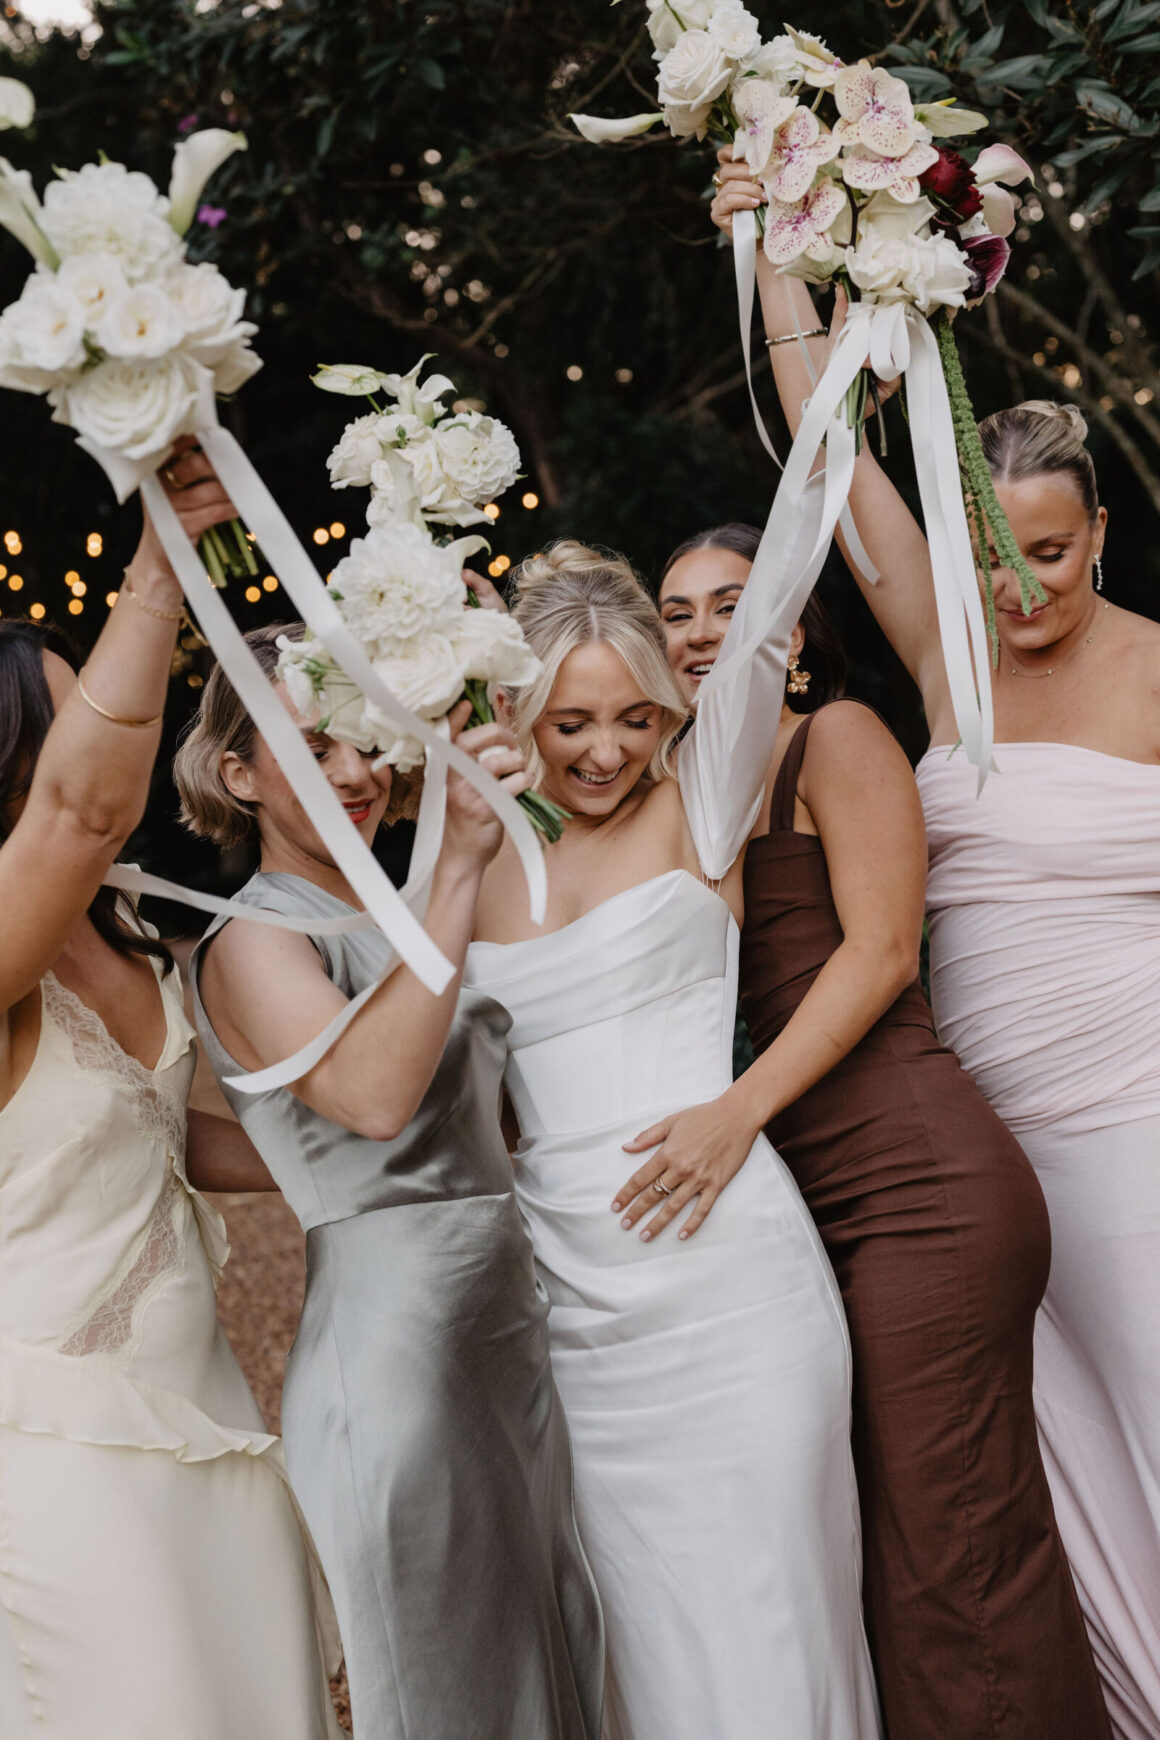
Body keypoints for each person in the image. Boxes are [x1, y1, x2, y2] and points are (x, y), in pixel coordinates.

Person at [712, 146, 1160, 1740]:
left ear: (1099, 530)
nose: (1019, 587)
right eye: (989, 553)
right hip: (981, 1147)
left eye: (1049, 550)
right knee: (1049, 1477)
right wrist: (771, 247)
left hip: (1140, 1130)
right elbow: (831, 456)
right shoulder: (943, 651)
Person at [645, 520, 1109, 1740]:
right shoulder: (681, 794)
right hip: (809, 1210)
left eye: (728, 604)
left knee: (953, 1547)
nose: (699, 631)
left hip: (922, 1192)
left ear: (790, 632)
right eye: (676, 611)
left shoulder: (833, 740)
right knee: (883, 1539)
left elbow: (883, 949)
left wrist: (735, 1113)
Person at [465, 542, 882, 1740]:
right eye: (572, 724)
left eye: (637, 718)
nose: (606, 752)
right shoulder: (477, 856)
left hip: (731, 1290)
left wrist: (829, 370)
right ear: (518, 714)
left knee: (769, 1616)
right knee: (645, 1638)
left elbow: (783, 571)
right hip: (578, 1323)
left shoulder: (703, 799)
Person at [182, 627, 605, 1740]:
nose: (356, 775)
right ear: (239, 773)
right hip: (395, 1362)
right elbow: (373, 1099)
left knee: (552, 1659)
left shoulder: (404, 911)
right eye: (312, 746)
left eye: (365, 741)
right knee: (449, 1688)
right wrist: (458, 866)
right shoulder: (251, 940)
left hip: (509, 1331)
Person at [0, 444, 340, 1739]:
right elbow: (82, 815)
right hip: (59, 1446)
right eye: (80, 707)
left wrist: (393, 1150)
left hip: (202, 1414)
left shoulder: (123, 918)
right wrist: (156, 571)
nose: (115, 724)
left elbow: (160, 1133)